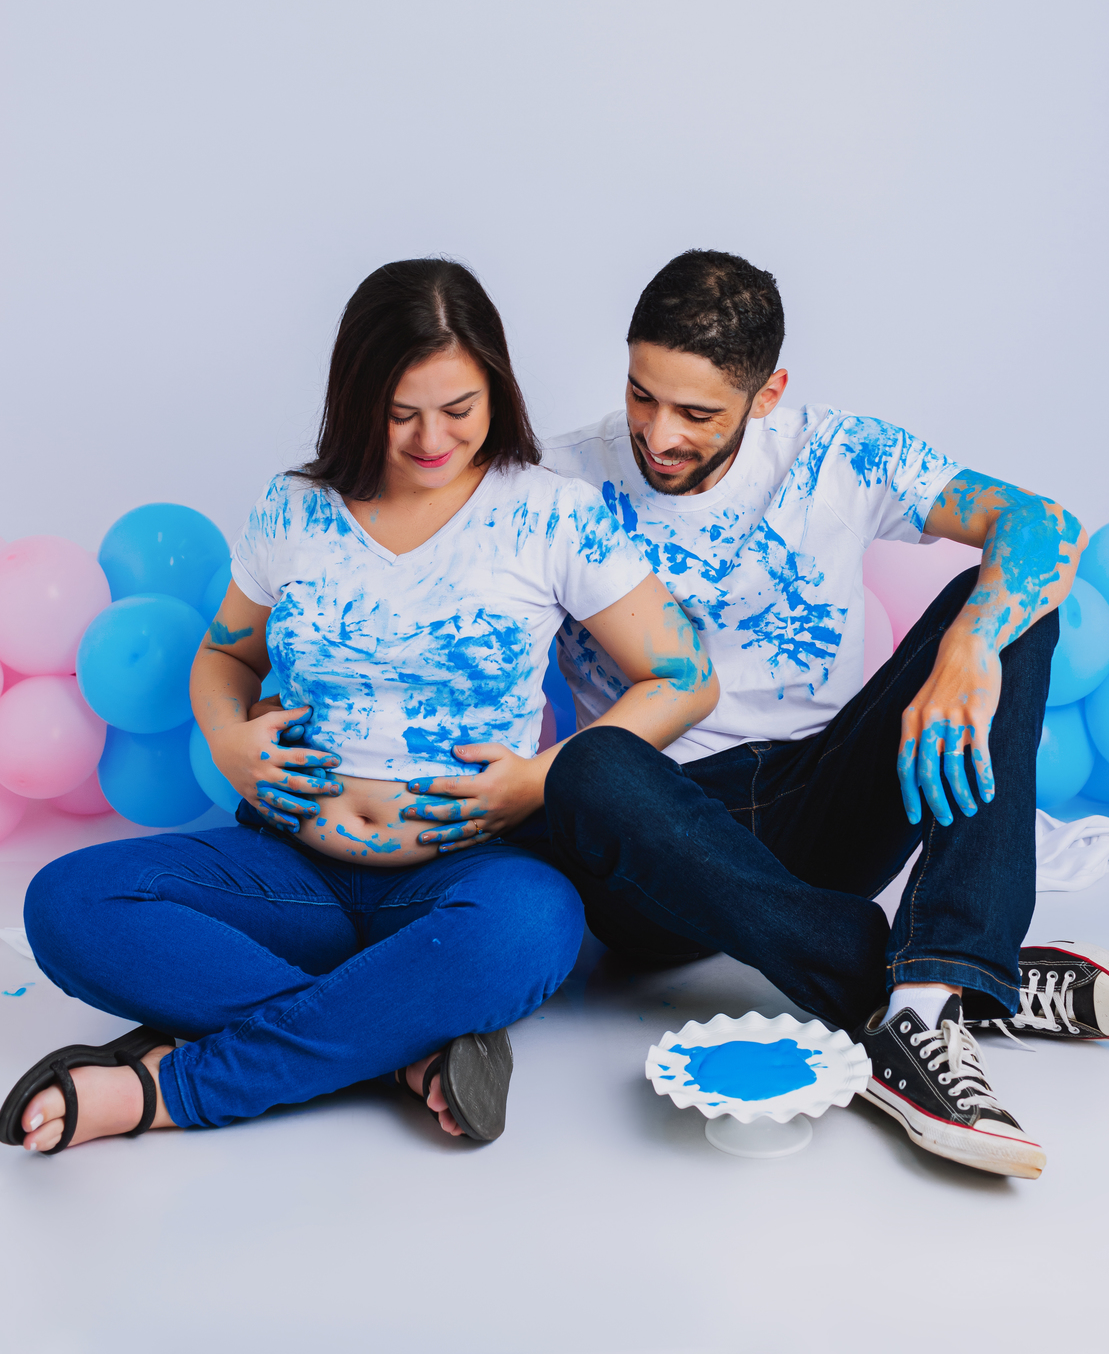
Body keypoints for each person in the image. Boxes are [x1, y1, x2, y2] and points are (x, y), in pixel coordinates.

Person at [402, 249, 1109, 1181]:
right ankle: (945, 987)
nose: (658, 435)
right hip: (657, 840)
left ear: (768, 395)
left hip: (821, 802)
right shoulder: (553, 480)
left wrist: (970, 646)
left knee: (1013, 608)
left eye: (697, 414)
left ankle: (935, 989)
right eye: (641, 395)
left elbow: (1045, 524)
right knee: (590, 765)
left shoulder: (842, 453)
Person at [2, 259, 717, 1156]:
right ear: (356, 397)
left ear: (496, 390)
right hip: (290, 868)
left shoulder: (550, 514)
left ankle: (168, 1090)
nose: (431, 438)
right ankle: (400, 1046)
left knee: (535, 926)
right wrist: (228, 739)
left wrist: (539, 780)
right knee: (68, 901)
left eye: (458, 408)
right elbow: (225, 655)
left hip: (465, 875)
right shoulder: (295, 508)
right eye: (400, 410)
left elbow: (683, 675)